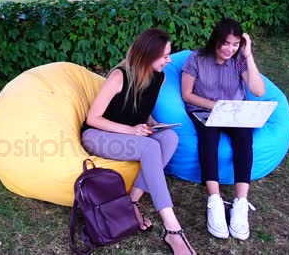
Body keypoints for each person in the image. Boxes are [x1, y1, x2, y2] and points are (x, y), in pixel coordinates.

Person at [81, 28, 195, 255]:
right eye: (164, 56)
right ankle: (172, 228)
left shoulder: (159, 78)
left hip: (128, 133)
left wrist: (152, 124)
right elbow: (92, 118)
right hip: (98, 135)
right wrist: (131, 130)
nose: (169, 60)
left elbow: (143, 111)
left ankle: (131, 203)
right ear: (147, 55)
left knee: (170, 137)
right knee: (151, 147)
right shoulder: (119, 76)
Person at [180, 18, 265, 241]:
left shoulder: (239, 60)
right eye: (226, 43)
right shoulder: (197, 58)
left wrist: (248, 55)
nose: (230, 49)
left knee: (244, 141)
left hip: (235, 111)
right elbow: (187, 94)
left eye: (235, 44)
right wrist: (215, 106)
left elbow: (257, 90)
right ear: (216, 40)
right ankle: (215, 201)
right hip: (205, 110)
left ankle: (240, 203)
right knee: (208, 140)